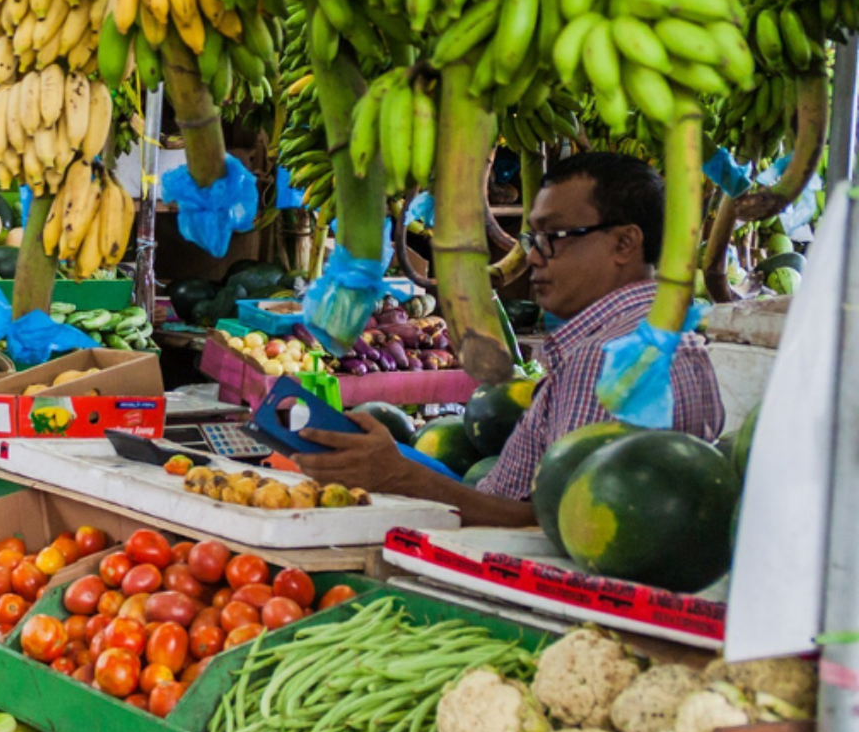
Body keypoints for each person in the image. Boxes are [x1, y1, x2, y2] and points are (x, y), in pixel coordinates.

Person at [295, 152, 724, 526]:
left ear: (625, 243)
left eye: (553, 237)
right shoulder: (680, 344)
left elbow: (554, 527)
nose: (534, 255)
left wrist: (401, 476)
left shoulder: (605, 358)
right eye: (531, 238)